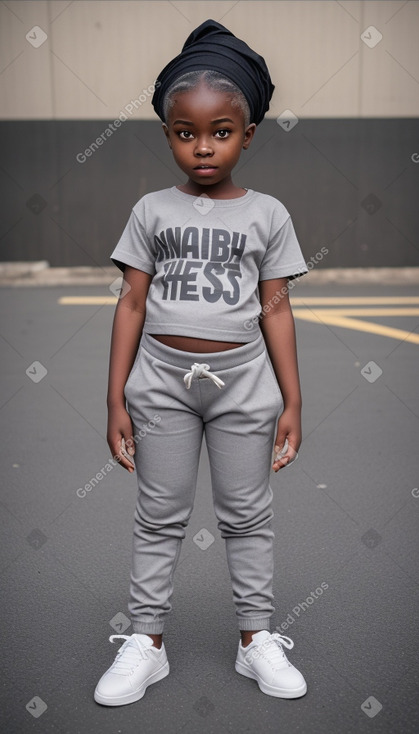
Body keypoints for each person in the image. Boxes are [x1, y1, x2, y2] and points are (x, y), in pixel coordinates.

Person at [94, 19, 308, 707]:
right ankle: (146, 643)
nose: (203, 145)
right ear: (167, 135)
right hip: (159, 382)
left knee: (246, 514)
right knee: (159, 515)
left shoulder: (268, 214)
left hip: (243, 384)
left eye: (220, 131)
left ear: (246, 135)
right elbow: (131, 303)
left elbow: (275, 308)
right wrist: (114, 396)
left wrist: (292, 400)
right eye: (186, 132)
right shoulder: (151, 211)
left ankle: (255, 640)